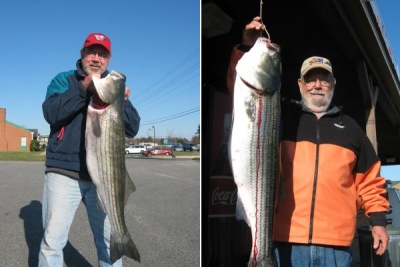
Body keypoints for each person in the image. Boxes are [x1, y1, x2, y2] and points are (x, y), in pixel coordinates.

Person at [227, 17, 390, 266]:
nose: (317, 85)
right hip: (285, 241)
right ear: (300, 84)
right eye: (311, 79)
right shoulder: (283, 117)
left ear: (333, 84)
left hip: (336, 247)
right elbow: (242, 89)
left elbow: (371, 182)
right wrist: (247, 48)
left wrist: (378, 222)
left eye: (324, 79)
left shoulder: (351, 129)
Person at [39, 33, 140, 266]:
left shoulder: (113, 86)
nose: (96, 58)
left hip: (105, 178)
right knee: (52, 242)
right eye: (91, 52)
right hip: (64, 171)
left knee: (109, 241)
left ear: (109, 59)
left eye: (102, 54)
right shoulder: (64, 80)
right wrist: (84, 87)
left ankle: (122, 242)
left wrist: (121, 102)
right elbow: (51, 113)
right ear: (82, 55)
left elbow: (132, 128)